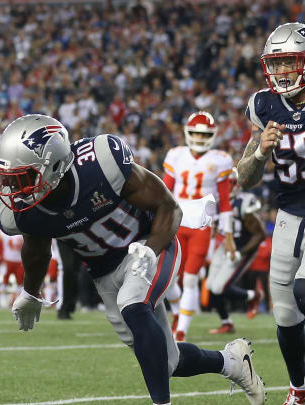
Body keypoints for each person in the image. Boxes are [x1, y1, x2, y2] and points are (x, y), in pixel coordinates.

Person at [0, 114, 265, 405]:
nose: (16, 188)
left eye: (26, 176)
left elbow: (168, 206)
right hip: (104, 272)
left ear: (55, 165)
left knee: (133, 304)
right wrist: (30, 291)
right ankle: (232, 362)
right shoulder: (25, 208)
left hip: (149, 245)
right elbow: (36, 250)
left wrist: (151, 249)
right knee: (166, 362)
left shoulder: (101, 165)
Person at [238, 22, 305, 405]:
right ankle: (299, 388)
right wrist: (261, 151)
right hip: (288, 214)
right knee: (284, 313)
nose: (282, 72)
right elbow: (245, 177)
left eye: (291, 62)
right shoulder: (263, 105)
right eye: (277, 64)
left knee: (304, 290)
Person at [161, 111, 236, 342]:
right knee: (169, 278)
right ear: (187, 132)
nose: (199, 138)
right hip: (177, 221)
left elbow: (224, 201)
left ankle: (181, 331)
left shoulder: (220, 159)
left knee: (191, 278)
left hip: (202, 226)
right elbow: (164, 191)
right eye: (195, 133)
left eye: (204, 134)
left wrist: (229, 234)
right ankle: (177, 314)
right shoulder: (176, 155)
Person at [206, 171, 265, 334]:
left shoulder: (244, 203)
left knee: (219, 287)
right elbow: (215, 227)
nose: (228, 186)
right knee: (210, 285)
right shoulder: (217, 201)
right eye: (226, 183)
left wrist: (242, 251)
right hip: (226, 244)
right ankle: (227, 323)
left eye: (231, 183)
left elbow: (259, 235)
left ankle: (254, 295)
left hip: (244, 247)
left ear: (238, 184)